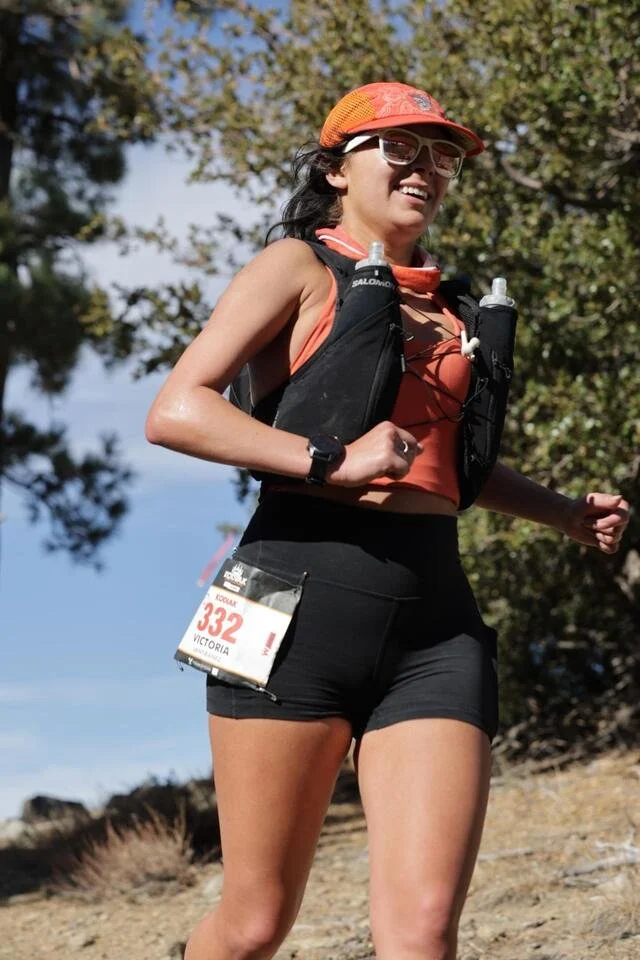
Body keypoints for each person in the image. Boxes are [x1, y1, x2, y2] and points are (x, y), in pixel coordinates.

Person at [146, 82, 629, 960]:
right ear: (337, 166)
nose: (426, 168)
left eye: (441, 154)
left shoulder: (452, 309)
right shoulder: (295, 267)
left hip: (434, 625)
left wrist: (563, 513)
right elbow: (177, 410)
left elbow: (443, 467)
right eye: (399, 147)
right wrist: (330, 459)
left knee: (422, 935)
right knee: (254, 926)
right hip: (288, 603)